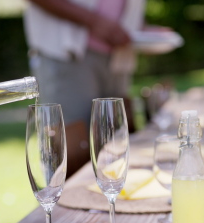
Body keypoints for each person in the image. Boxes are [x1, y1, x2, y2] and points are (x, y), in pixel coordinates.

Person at [23, 0, 145, 129]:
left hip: (118, 56)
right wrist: (93, 21)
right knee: (71, 141)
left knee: (118, 137)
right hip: (65, 54)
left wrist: (138, 28)